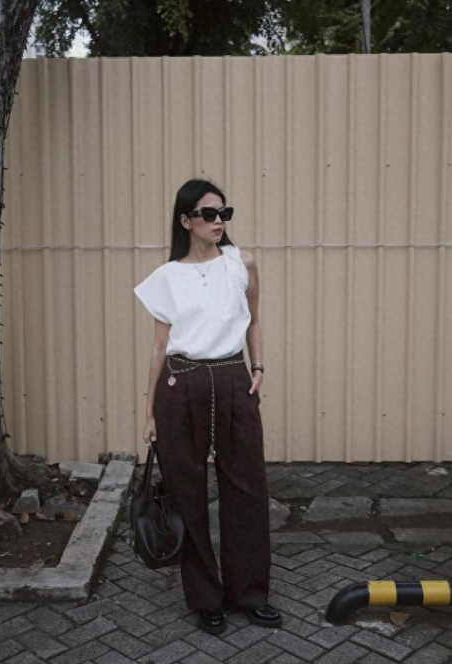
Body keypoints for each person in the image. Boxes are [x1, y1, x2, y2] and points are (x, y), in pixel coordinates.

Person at [133, 178, 281, 635]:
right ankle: (205, 597)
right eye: (209, 214)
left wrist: (259, 366)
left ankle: (249, 593)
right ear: (186, 220)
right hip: (181, 384)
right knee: (187, 492)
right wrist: (149, 412)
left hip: (234, 380)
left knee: (247, 488)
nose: (219, 221)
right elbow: (159, 347)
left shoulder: (241, 263)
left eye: (224, 213)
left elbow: (253, 320)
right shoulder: (167, 277)